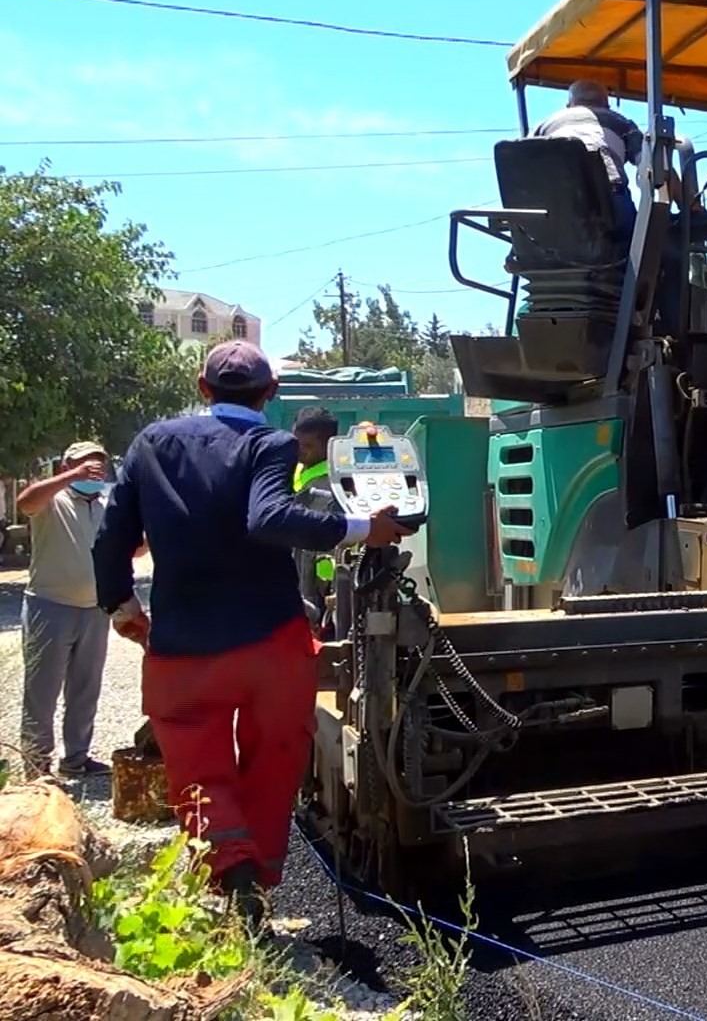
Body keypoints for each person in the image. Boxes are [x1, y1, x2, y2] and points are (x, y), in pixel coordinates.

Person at [92, 341, 413, 929]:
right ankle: (259, 882)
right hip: (271, 642)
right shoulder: (271, 443)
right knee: (276, 756)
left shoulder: (152, 444)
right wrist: (367, 527)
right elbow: (268, 519)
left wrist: (121, 606)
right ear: (271, 394)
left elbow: (111, 538)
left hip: (185, 645)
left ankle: (231, 866)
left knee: (194, 757)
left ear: (202, 387)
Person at [16, 441, 115, 780]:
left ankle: (77, 758)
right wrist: (73, 476)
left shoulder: (106, 505)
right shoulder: (51, 500)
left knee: (85, 688)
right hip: (49, 605)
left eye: (99, 465)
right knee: (42, 690)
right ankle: (36, 765)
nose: (94, 471)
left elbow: (128, 549)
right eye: (86, 464)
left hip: (94, 609)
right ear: (66, 467)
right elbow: (24, 502)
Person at [532, 78, 691, 243]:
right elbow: (656, 165)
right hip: (607, 204)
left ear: (569, 105)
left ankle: (520, 250)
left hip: (551, 209)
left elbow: (523, 169)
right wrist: (689, 206)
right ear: (606, 105)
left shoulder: (543, 127)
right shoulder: (620, 123)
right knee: (646, 245)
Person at [291, 407, 342, 636]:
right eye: (298, 444)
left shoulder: (332, 487)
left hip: (323, 591)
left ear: (328, 445)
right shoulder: (301, 473)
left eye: (308, 446)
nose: (300, 452)